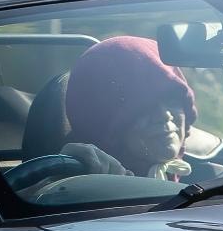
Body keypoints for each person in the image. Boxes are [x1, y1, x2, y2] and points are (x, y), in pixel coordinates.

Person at [59, 36, 213, 181]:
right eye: (144, 107)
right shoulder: (76, 192)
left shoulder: (218, 172)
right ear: (104, 121)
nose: (164, 115)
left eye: (172, 100)